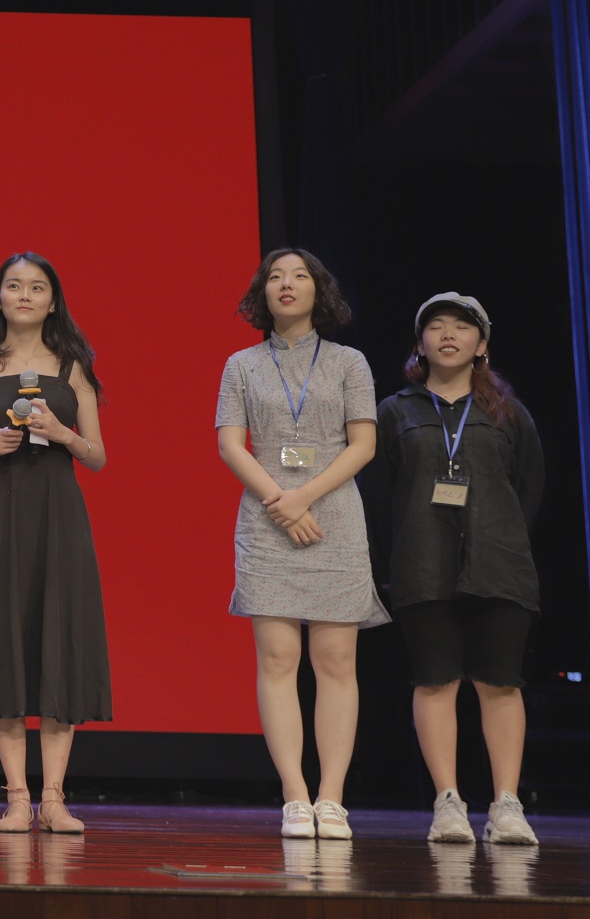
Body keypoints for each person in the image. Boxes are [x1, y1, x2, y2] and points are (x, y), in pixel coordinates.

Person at [0, 253, 112, 833]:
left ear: (52, 302)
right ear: (0, 298)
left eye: (37, 287)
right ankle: (15, 797)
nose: (25, 295)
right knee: (2, 647)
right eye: (14, 286)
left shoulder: (74, 367)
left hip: (59, 517)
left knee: (58, 642)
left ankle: (54, 799)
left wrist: (62, 434)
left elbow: (98, 456)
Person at [215, 247, 386, 840]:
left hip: (334, 516)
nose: (286, 284)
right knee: (277, 660)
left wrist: (304, 497)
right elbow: (231, 445)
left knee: (336, 661)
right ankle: (294, 795)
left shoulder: (348, 362)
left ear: (320, 290)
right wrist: (280, 502)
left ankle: (332, 798)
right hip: (267, 519)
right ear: (262, 292)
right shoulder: (241, 364)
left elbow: (363, 444)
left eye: (299, 276)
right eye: (275, 277)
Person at [361, 293, 544, 846]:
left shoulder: (508, 413)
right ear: (419, 345)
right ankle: (448, 802)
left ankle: (507, 805)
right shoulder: (394, 411)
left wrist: (501, 540)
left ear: (481, 344)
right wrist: (392, 560)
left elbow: (529, 489)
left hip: (499, 565)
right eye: (435, 326)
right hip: (422, 564)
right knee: (434, 681)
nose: (447, 335)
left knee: (500, 682)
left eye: (462, 327)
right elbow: (378, 494)